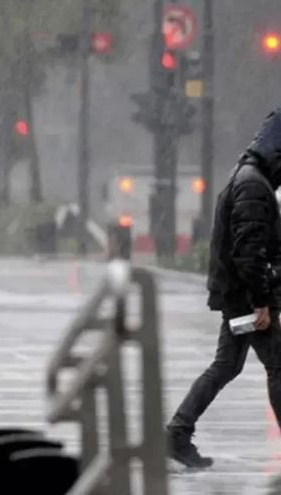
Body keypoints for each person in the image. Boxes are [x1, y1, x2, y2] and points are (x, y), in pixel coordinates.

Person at [167, 107, 281, 468]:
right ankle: (177, 432)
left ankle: (178, 432)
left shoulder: (244, 177)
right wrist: (261, 302)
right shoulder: (253, 185)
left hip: (239, 296)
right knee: (278, 365)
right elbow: (250, 252)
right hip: (247, 299)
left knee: (226, 365)